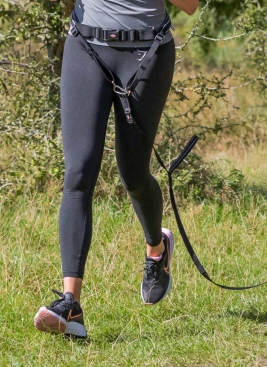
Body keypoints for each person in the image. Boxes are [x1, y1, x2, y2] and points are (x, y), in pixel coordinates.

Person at [34, 0, 199, 338]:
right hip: (87, 45)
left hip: (147, 50)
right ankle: (70, 305)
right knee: (78, 172)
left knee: (133, 173)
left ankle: (157, 249)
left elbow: (190, 5)